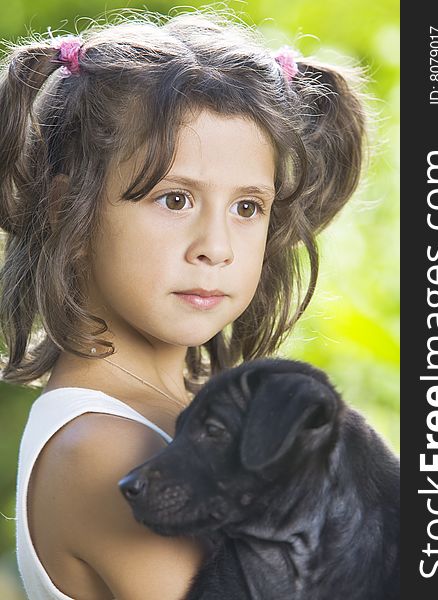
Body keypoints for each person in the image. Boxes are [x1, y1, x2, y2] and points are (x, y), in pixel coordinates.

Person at [0, 8, 366, 600]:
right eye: (174, 200)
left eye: (247, 207)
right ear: (68, 207)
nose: (216, 247)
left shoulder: (189, 412)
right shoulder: (107, 449)